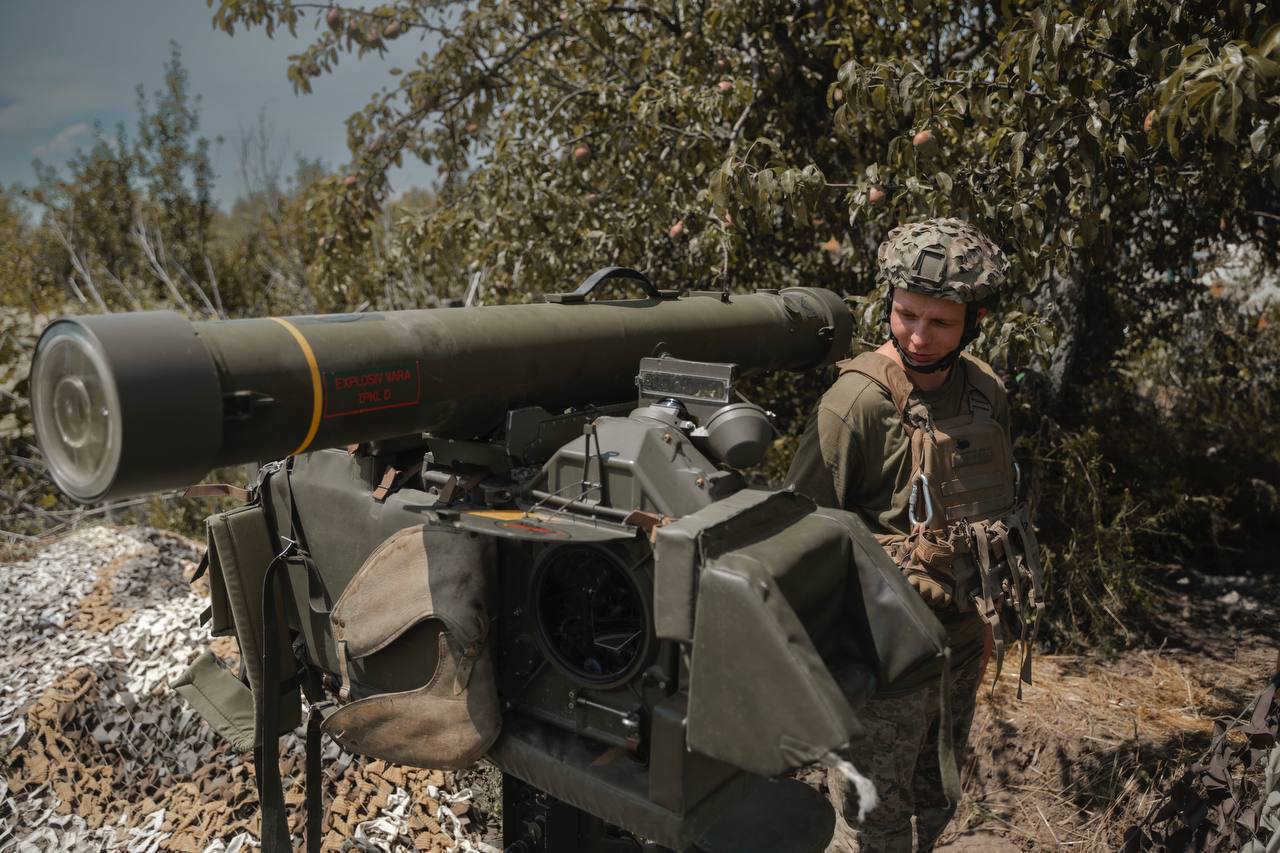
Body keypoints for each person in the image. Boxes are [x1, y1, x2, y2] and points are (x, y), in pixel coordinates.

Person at [786, 218, 1030, 853]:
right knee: (871, 823)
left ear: (974, 320)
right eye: (905, 315)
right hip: (885, 653)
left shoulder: (984, 392)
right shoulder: (854, 404)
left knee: (938, 795)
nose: (918, 337)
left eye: (940, 323)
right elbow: (800, 529)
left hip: (962, 637)